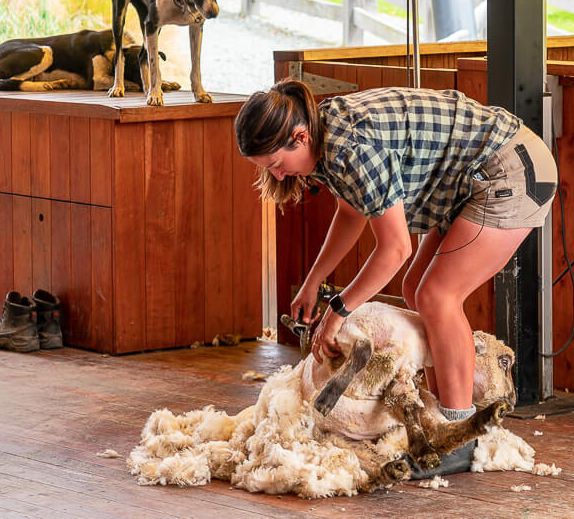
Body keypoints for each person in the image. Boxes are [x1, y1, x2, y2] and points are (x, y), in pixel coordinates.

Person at [234, 79, 557, 472]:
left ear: (299, 137)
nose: (280, 175)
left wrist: (338, 310)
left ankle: (458, 441)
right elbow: (352, 211)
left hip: (510, 168)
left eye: (276, 164)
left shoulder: (351, 146)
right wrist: (313, 281)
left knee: (437, 296)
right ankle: (442, 419)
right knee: (416, 289)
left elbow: (396, 249)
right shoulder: (325, 137)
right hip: (471, 179)